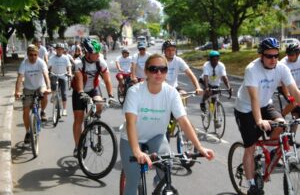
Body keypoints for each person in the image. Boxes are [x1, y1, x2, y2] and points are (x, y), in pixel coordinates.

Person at [120, 54, 215, 195]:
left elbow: (183, 121)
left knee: (167, 169)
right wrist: (136, 151)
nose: (158, 73)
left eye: (163, 69)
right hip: (131, 139)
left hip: (156, 136)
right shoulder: (135, 92)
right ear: (146, 72)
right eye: (153, 69)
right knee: (133, 180)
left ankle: (158, 186)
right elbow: (131, 123)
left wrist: (199, 147)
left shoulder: (171, 93)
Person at [234, 37, 300, 195]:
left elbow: (294, 92)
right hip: (245, 108)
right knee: (250, 147)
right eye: (269, 56)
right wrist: (259, 121)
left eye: (276, 56)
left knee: (281, 124)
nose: (273, 59)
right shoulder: (252, 69)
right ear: (260, 56)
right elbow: (254, 98)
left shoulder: (282, 68)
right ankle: (251, 185)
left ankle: (269, 152)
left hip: (265, 104)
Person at [72, 37, 114, 157]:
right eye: (95, 53)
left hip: (93, 88)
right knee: (78, 119)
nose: (98, 55)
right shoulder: (79, 63)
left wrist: (110, 95)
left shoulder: (100, 62)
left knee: (99, 103)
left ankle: (92, 121)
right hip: (79, 91)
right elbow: (79, 82)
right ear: (87, 53)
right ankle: (77, 146)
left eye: (98, 52)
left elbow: (107, 80)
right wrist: (81, 93)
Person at [14, 44, 51, 143]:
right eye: (31, 55)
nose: (33, 57)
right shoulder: (24, 64)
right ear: (27, 55)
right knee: (26, 110)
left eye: (35, 54)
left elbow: (46, 76)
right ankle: (27, 132)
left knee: (45, 94)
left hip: (40, 86)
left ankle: (42, 111)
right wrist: (17, 91)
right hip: (28, 88)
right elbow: (20, 78)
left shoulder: (41, 62)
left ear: (38, 54)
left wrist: (48, 87)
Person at [48, 43, 72, 116]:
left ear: (63, 50)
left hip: (63, 76)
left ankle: (64, 109)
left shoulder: (65, 58)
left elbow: (69, 66)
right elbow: (49, 66)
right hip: (54, 74)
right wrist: (48, 72)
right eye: (58, 49)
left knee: (64, 93)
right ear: (56, 50)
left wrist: (70, 73)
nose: (59, 50)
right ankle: (53, 95)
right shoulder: (52, 58)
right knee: (53, 87)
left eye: (61, 49)